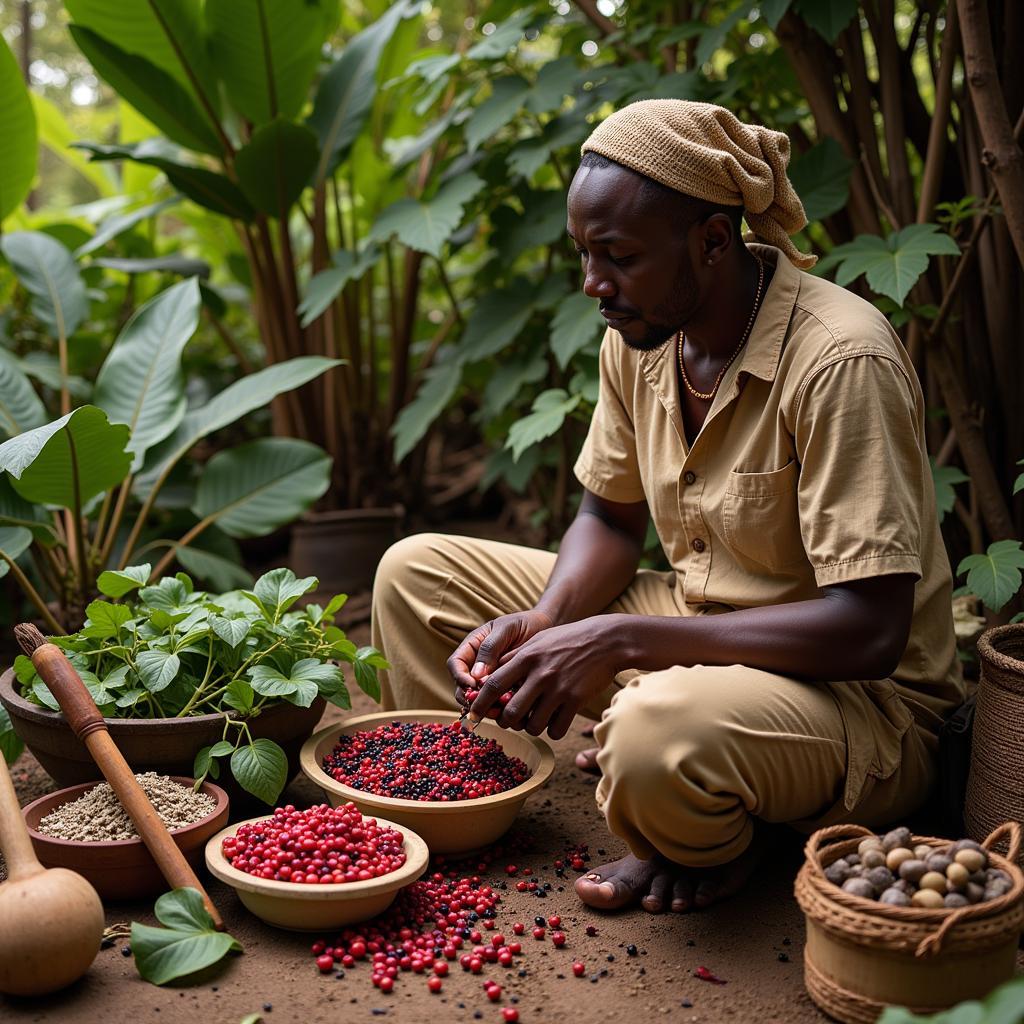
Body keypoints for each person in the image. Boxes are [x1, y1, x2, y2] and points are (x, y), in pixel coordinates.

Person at [371, 99, 965, 914]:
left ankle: (722, 838)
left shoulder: (839, 360)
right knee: (414, 574)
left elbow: (869, 630)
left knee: (656, 733)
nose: (593, 285)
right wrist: (547, 621)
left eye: (617, 255)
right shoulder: (644, 334)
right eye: (583, 253)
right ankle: (465, 795)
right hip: (695, 636)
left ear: (714, 241)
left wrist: (620, 638)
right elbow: (608, 521)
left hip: (854, 702)